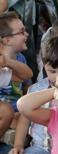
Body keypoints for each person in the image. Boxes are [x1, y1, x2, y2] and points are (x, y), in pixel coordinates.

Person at [0, 12, 32, 146]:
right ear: (7, 40)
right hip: (5, 111)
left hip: (16, 110)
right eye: (22, 32)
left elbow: (27, 77)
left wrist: (7, 61)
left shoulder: (20, 58)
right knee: (7, 112)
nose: (27, 35)